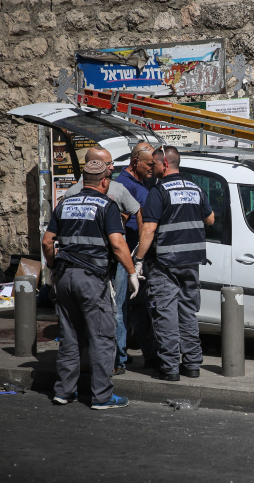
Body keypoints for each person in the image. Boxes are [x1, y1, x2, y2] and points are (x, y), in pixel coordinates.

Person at [42, 158, 139, 409]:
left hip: (64, 278)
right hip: (91, 279)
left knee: (70, 335)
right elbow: (118, 244)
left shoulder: (64, 204)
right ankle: (102, 396)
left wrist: (53, 267)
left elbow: (47, 242)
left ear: (84, 180)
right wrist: (131, 273)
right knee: (101, 336)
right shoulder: (107, 206)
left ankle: (63, 392)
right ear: (104, 181)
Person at [136, 146, 214, 381]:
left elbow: (149, 229)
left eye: (155, 164)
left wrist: (138, 260)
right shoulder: (195, 187)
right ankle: (192, 365)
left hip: (165, 263)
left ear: (165, 164)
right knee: (188, 312)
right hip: (191, 262)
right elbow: (210, 219)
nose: (152, 169)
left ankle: (169, 368)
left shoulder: (159, 192)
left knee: (166, 314)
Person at [65, 146, 140, 376]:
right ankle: (116, 360)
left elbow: (54, 236)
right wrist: (132, 267)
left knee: (86, 312)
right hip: (106, 261)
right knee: (114, 311)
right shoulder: (113, 190)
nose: (112, 167)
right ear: (93, 164)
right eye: (108, 164)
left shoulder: (71, 194)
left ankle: (94, 360)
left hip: (81, 263)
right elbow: (136, 217)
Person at [116, 142, 160, 370]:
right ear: (135, 162)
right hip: (128, 256)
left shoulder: (142, 182)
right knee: (124, 307)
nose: (153, 167)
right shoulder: (123, 184)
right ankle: (119, 357)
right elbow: (120, 221)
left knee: (139, 306)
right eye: (149, 164)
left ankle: (144, 354)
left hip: (139, 254)